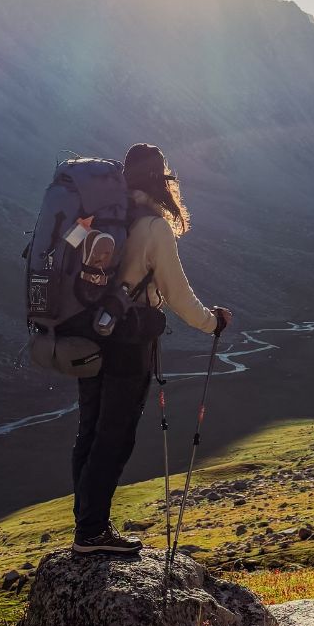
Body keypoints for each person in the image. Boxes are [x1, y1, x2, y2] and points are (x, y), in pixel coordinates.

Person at [71, 144, 232, 555]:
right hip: (128, 344)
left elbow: (69, 254)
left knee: (90, 431)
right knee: (115, 435)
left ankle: (88, 526)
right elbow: (177, 294)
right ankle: (92, 533)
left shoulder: (103, 216)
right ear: (160, 180)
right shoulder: (153, 227)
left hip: (89, 337)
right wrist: (212, 322)